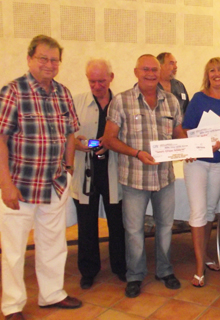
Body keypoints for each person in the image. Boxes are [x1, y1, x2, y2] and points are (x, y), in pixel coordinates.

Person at [0, 35, 82, 320]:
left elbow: (71, 133)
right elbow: (1, 138)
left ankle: (52, 294)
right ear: (29, 59)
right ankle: (12, 306)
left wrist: (68, 169)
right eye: (43, 58)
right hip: (19, 187)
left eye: (54, 60)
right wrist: (5, 184)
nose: (49, 64)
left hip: (54, 185)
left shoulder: (63, 92)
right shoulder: (13, 91)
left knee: (54, 244)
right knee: (13, 252)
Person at [103, 54, 185, 298]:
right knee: (134, 231)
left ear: (160, 73)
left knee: (165, 228)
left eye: (154, 70)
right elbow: (109, 139)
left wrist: (192, 147)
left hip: (164, 178)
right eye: (146, 69)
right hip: (134, 180)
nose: (150, 73)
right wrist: (136, 153)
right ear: (136, 71)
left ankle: (164, 270)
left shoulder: (171, 101)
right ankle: (135, 276)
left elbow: (179, 133)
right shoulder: (121, 101)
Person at [182, 57, 220, 287]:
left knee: (208, 212)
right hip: (198, 162)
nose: (217, 74)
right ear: (207, 75)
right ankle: (198, 269)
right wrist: (206, 140)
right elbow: (187, 129)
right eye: (212, 70)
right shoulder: (198, 98)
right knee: (197, 212)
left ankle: (204, 256)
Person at [71, 59, 127, 289]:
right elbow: (66, 136)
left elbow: (132, 137)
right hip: (85, 171)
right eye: (92, 81)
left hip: (114, 170)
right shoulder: (76, 102)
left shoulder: (122, 103)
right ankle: (88, 270)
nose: (96, 85)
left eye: (101, 80)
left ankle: (121, 267)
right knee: (86, 224)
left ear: (111, 78)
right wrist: (76, 143)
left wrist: (112, 143)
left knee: (117, 223)